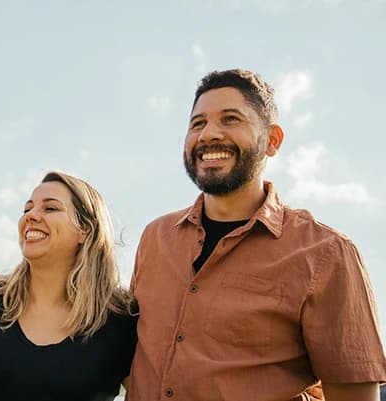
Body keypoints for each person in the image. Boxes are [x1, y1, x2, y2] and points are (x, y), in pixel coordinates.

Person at [127, 69, 386, 401]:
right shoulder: (155, 238)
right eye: (198, 123)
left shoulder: (326, 253)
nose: (208, 134)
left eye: (231, 119)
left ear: (273, 141)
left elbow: (355, 395)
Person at [0, 171, 137, 401]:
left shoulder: (121, 319)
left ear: (86, 230)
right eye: (27, 209)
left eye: (50, 208)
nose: (31, 216)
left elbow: (153, 390)